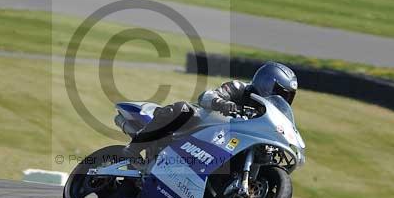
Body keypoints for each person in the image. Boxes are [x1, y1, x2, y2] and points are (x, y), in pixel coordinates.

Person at [124, 61, 298, 159]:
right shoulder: (240, 88)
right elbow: (206, 96)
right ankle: (131, 150)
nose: (283, 99)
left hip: (227, 144)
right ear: (267, 83)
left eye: (288, 96)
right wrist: (223, 104)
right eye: (280, 93)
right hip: (202, 127)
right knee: (183, 110)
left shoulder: (268, 114)